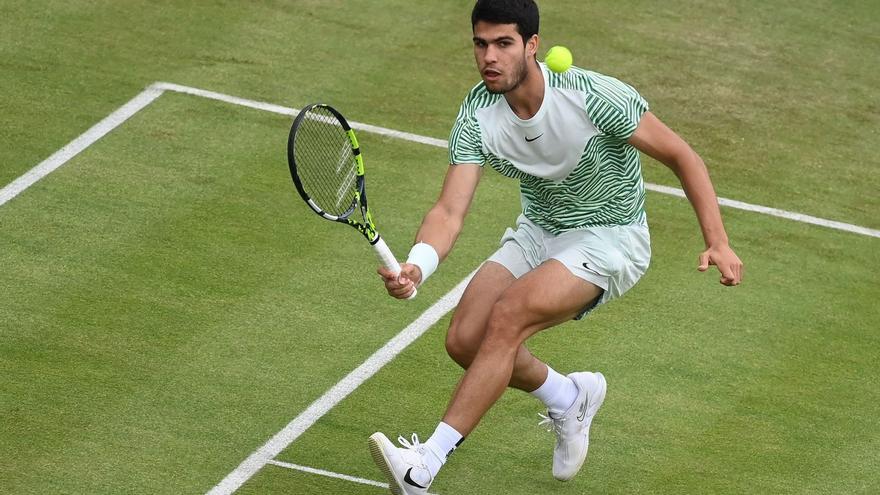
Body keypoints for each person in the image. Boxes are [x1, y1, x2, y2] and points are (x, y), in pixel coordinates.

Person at [369, 0, 743, 492]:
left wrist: (717, 241)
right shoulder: (477, 114)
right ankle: (568, 397)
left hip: (611, 236)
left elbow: (682, 155)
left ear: (532, 45)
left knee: (507, 317)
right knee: (464, 341)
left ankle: (424, 466)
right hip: (540, 230)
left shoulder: (592, 96)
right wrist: (418, 265)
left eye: (503, 44)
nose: (490, 58)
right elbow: (449, 210)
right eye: (481, 44)